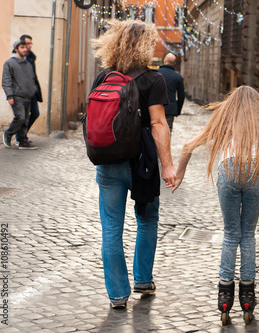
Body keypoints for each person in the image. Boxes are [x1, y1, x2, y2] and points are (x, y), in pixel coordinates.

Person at [172, 86, 259, 324]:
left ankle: (224, 298)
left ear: (231, 105)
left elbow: (187, 146)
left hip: (228, 171)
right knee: (247, 235)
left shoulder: (224, 123)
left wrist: (179, 175)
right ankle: (247, 297)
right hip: (257, 173)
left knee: (230, 234)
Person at [90, 20, 176, 309]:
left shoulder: (103, 77)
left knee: (111, 228)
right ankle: (143, 279)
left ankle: (117, 294)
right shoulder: (154, 80)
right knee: (147, 220)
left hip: (109, 163)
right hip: (143, 165)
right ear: (144, 46)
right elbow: (159, 124)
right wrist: (168, 165)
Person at [2, 39, 38, 149]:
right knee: (21, 117)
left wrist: (33, 91)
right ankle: (8, 134)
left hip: (27, 96)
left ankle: (22, 141)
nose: (25, 49)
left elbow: (31, 79)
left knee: (25, 120)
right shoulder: (9, 63)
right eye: (22, 47)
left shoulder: (27, 64)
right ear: (16, 49)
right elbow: (6, 80)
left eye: (25, 47)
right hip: (16, 96)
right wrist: (9, 96)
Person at [14, 34, 42, 145]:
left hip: (32, 91)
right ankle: (19, 136)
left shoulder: (31, 57)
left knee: (35, 113)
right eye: (27, 43)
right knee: (22, 116)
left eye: (30, 43)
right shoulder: (19, 59)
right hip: (23, 91)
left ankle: (22, 135)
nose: (29, 46)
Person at [157, 53, 185, 132]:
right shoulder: (178, 77)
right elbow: (181, 96)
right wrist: (178, 110)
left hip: (156, 107)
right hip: (170, 108)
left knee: (156, 129)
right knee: (168, 130)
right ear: (174, 63)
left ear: (164, 61)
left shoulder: (155, 74)